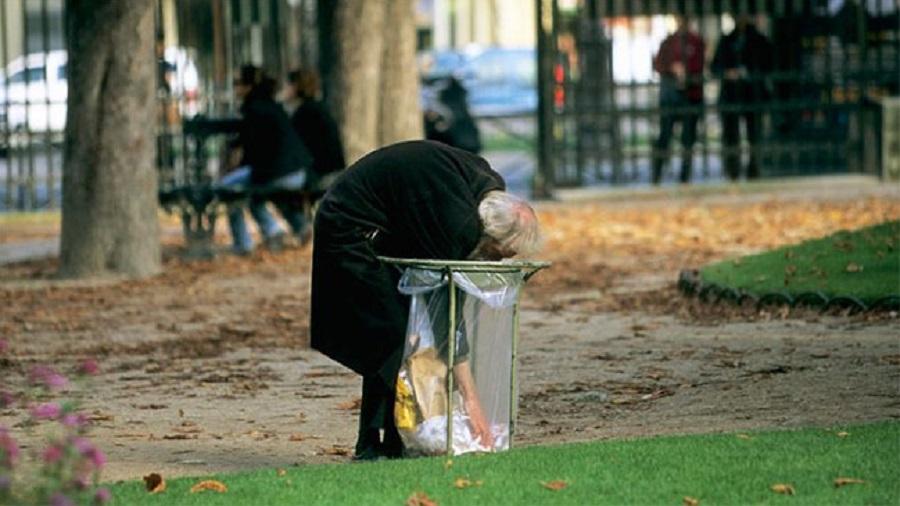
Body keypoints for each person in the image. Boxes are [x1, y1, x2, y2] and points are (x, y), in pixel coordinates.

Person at [309, 140, 541, 460]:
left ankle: (391, 438)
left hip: (391, 224)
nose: (494, 262)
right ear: (484, 232)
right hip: (349, 229)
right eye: (493, 253)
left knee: (402, 333)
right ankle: (374, 441)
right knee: (394, 332)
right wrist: (471, 399)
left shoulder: (487, 190)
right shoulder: (456, 224)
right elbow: (445, 312)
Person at [219, 65, 313, 254]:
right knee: (259, 193)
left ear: (248, 87)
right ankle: (300, 227)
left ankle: (247, 241)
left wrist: (236, 164)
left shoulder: (254, 110)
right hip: (298, 172)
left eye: (237, 84)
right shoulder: (272, 106)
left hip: (277, 173)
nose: (235, 88)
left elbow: (253, 152)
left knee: (227, 188)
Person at [711, 15, 774, 181]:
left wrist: (752, 73)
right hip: (731, 94)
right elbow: (715, 66)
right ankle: (733, 169)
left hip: (753, 93)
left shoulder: (760, 40)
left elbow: (769, 65)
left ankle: (754, 169)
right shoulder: (726, 40)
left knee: (755, 134)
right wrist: (727, 73)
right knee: (731, 135)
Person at [651, 15, 705, 185]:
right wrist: (671, 69)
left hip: (690, 95)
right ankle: (657, 174)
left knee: (688, 139)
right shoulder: (668, 42)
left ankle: (684, 176)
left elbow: (701, 64)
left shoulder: (696, 42)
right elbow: (658, 64)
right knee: (664, 136)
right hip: (671, 96)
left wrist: (688, 73)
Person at [284, 68, 347, 197]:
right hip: (333, 170)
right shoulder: (316, 107)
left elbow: (293, 146)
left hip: (322, 173)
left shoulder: (305, 112)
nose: (284, 90)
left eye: (287, 85)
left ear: (296, 87)